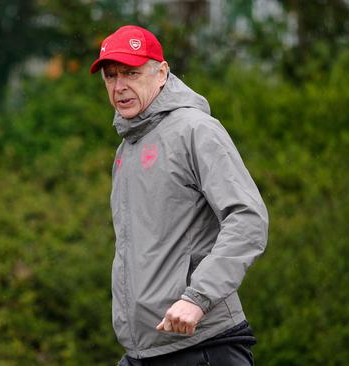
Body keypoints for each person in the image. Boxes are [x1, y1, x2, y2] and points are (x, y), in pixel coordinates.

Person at [90, 25, 269, 366]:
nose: (120, 86)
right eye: (111, 76)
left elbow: (248, 219)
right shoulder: (126, 148)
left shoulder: (195, 130)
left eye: (131, 72)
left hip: (204, 346)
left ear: (162, 73)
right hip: (146, 351)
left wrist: (197, 299)